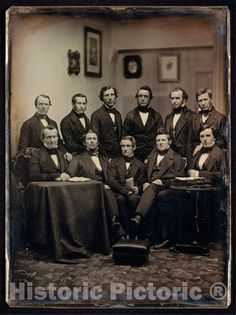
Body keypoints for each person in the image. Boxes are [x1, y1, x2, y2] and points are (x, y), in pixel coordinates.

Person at [159, 125, 226, 251]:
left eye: (208, 136)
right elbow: (190, 170)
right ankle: (172, 237)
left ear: (214, 138)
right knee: (164, 195)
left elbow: (221, 175)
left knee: (197, 203)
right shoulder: (198, 152)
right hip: (192, 189)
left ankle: (199, 238)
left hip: (210, 192)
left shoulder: (220, 154)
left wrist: (200, 174)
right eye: (202, 136)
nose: (205, 139)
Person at [68, 130, 125, 243]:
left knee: (121, 198)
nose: (92, 141)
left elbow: (111, 178)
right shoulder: (77, 159)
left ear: (98, 142)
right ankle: (118, 232)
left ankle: (123, 232)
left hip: (106, 189)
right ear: (84, 143)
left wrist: (125, 190)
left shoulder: (104, 160)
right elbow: (70, 176)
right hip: (88, 191)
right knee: (109, 195)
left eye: (94, 139)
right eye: (89, 139)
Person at [130, 128, 186, 244]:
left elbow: (180, 179)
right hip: (151, 188)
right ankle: (145, 235)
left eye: (163, 140)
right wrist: (145, 182)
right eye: (158, 140)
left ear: (169, 142)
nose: (160, 142)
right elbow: (143, 175)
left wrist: (164, 182)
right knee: (150, 189)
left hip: (169, 188)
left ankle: (138, 216)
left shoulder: (177, 158)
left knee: (156, 190)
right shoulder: (151, 157)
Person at [107, 136, 146, 234]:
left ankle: (134, 231)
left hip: (132, 193)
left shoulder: (140, 164)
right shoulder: (114, 162)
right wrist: (126, 191)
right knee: (120, 199)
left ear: (134, 147)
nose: (124, 149)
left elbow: (141, 181)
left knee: (133, 199)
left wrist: (138, 188)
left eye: (128, 146)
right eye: (122, 146)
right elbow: (111, 180)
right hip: (118, 191)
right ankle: (125, 232)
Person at [18, 94, 72, 161]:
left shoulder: (53, 123)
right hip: (37, 159)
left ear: (49, 106)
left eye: (46, 104)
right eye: (41, 104)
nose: (43, 107)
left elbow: (59, 142)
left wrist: (66, 152)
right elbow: (22, 147)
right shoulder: (27, 124)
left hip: (54, 158)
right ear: (36, 105)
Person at [123, 85, 163, 162]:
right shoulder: (130, 116)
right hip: (134, 157)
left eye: (145, 96)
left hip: (153, 156)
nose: (142, 99)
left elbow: (161, 138)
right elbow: (125, 137)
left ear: (150, 98)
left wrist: (151, 157)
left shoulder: (157, 116)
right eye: (140, 96)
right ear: (137, 98)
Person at [165, 88, 198, 163]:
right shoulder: (168, 118)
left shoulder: (193, 117)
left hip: (187, 159)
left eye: (177, 98)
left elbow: (196, 141)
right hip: (170, 159)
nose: (174, 101)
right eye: (172, 98)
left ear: (184, 100)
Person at [90, 86, 122, 158]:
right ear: (102, 98)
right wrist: (106, 157)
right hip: (104, 155)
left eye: (112, 94)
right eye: (106, 95)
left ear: (115, 96)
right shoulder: (96, 115)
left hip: (118, 155)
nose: (110, 98)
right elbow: (96, 139)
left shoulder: (118, 114)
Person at [192, 88, 227, 152]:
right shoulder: (194, 118)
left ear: (211, 100)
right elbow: (190, 141)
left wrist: (206, 145)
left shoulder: (221, 118)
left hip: (214, 156)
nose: (203, 103)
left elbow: (223, 141)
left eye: (205, 99)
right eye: (200, 101)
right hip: (197, 157)